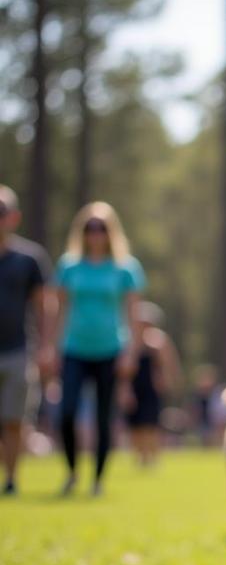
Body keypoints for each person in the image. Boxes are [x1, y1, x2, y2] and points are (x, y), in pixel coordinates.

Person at [51, 202, 145, 495]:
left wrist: (131, 353)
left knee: (104, 418)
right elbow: (58, 309)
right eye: (90, 228)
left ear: (110, 231)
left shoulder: (125, 267)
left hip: (110, 350)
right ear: (82, 231)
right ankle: (71, 470)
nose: (95, 233)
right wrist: (50, 348)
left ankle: (98, 479)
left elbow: (134, 314)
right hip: (74, 348)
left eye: (101, 228)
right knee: (66, 412)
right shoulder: (69, 265)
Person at [0, 185, 53, 495]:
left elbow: (44, 304)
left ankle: (11, 478)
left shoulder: (30, 259)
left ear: (14, 217)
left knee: (13, 420)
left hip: (18, 350)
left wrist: (46, 345)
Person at [119, 301, 181, 465]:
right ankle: (139, 457)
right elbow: (123, 370)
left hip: (152, 388)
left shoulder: (158, 340)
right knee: (135, 424)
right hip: (135, 387)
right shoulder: (128, 341)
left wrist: (169, 382)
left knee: (151, 423)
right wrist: (124, 389)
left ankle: (152, 457)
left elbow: (168, 364)